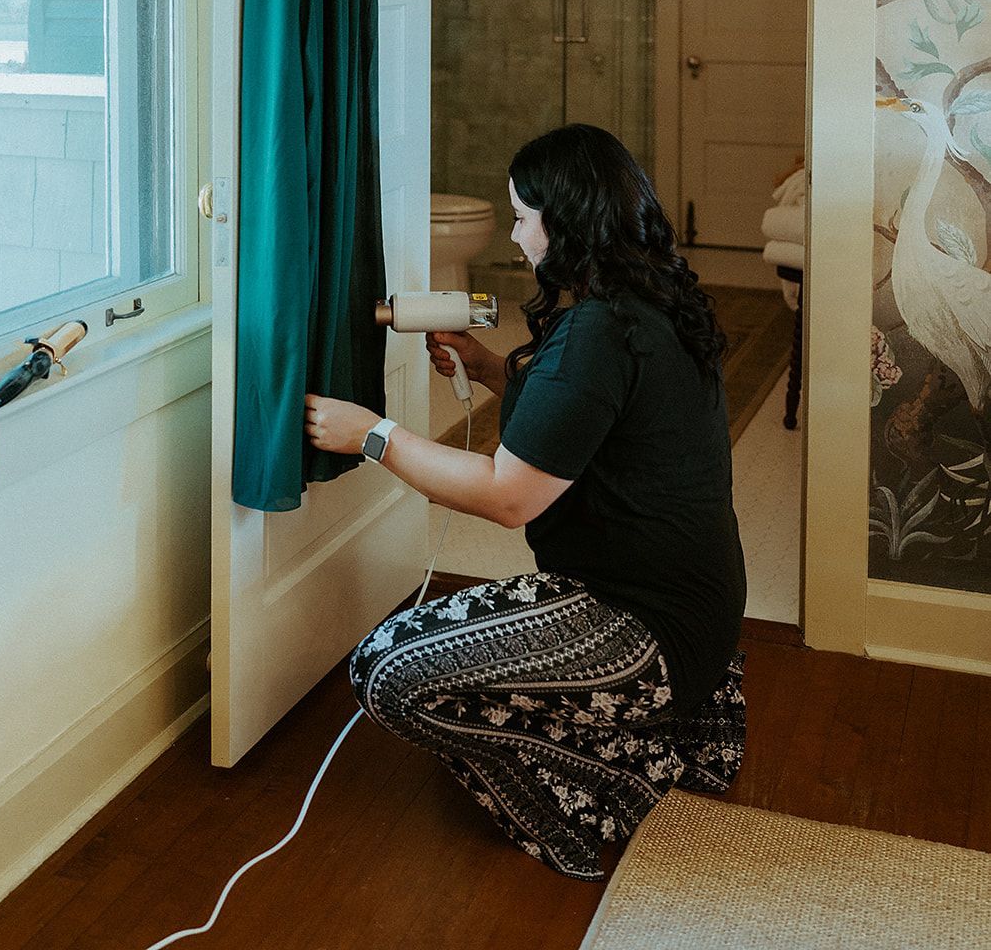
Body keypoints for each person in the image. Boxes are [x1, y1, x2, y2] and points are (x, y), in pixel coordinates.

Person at [304, 123, 747, 880]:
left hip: (639, 629)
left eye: (520, 216)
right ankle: (641, 735)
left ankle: (596, 796)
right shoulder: (651, 302)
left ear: (564, 222)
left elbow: (509, 498)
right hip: (701, 619)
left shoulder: (597, 333)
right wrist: (483, 364)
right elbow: (585, 417)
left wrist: (373, 435)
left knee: (385, 669)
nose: (514, 236)